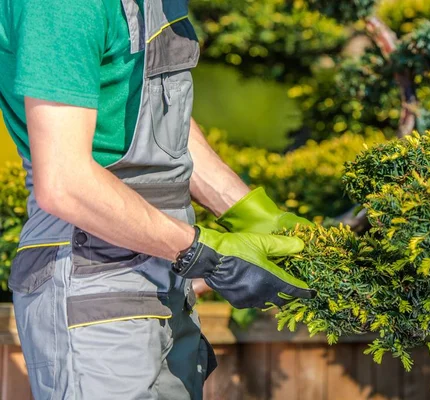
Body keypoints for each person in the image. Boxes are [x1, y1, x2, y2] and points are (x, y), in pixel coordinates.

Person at [0, 0, 315, 398]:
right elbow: (65, 181)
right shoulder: (64, 7)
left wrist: (245, 210)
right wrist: (204, 253)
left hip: (164, 266)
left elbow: (154, 114)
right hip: (92, 276)